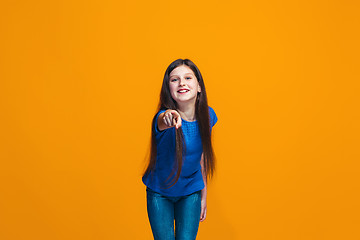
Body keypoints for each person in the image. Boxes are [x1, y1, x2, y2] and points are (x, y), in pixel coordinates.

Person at [142, 58, 218, 240]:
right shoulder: (163, 118)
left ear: (199, 86)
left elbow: (202, 158)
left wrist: (203, 194)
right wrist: (169, 117)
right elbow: (164, 119)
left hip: (190, 191)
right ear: (169, 89)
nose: (181, 83)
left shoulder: (209, 116)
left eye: (188, 78)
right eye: (174, 79)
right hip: (160, 192)